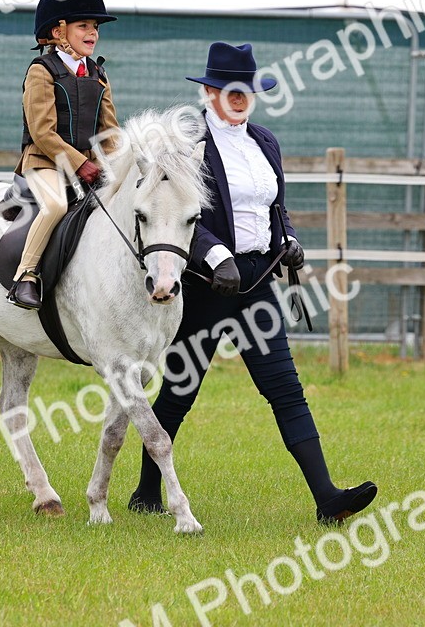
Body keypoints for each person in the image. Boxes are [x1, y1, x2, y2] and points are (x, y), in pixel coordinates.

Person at [127, 42, 377, 524]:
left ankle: (327, 497)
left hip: (257, 282)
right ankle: (145, 492)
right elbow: (172, 214)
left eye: (246, 89)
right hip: (205, 285)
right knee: (180, 390)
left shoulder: (265, 141)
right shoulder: (185, 145)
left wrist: (290, 239)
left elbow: (272, 208)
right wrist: (216, 255)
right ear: (208, 91)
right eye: (228, 89)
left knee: (285, 388)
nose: (239, 97)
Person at [8, 0, 120, 309]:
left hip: (90, 166)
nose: (93, 33)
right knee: (56, 205)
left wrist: (116, 166)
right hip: (45, 161)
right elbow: (43, 132)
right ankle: (25, 276)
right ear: (59, 32)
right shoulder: (41, 72)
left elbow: (110, 132)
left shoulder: (99, 75)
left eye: (95, 27)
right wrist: (81, 164)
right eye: (83, 25)